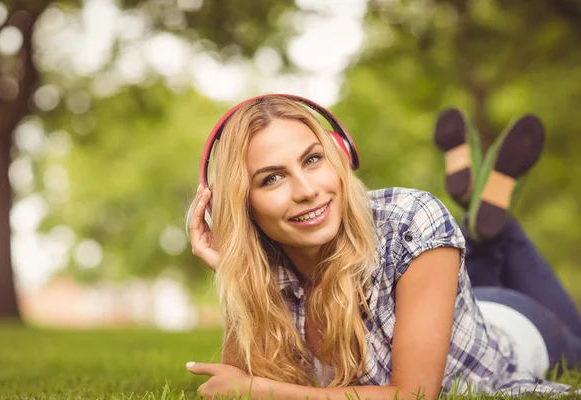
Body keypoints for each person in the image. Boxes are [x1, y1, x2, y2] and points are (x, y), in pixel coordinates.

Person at [185, 94, 581, 399]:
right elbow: (233, 386)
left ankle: (492, 223)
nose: (306, 191)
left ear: (340, 157)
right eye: (271, 178)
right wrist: (233, 270)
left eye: (312, 159)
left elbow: (411, 395)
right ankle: (484, 219)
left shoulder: (410, 219)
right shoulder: (269, 266)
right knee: (474, 256)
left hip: (524, 327)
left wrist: (266, 391)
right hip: (447, 302)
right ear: (240, 205)